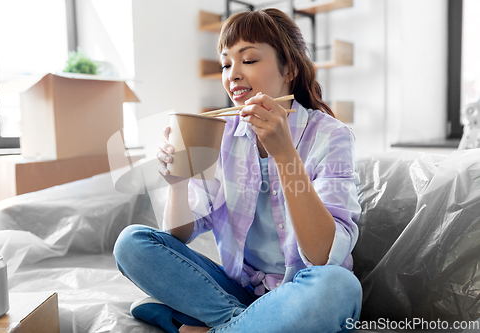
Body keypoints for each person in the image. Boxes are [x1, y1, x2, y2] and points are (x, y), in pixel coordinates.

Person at [114, 8, 362, 333]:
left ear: (289, 69)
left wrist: (285, 155)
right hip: (239, 291)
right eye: (226, 63)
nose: (233, 74)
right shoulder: (222, 134)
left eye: (248, 60)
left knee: (338, 288)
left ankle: (206, 324)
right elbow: (178, 237)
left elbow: (321, 256)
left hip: (303, 290)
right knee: (131, 243)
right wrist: (177, 183)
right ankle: (242, 322)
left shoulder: (331, 136)